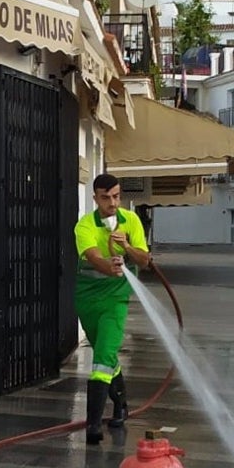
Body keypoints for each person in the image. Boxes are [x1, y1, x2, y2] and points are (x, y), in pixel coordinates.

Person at [74, 173, 153, 444]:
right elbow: (93, 257)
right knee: (105, 356)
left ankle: (93, 426)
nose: (112, 202)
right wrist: (110, 266)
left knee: (102, 358)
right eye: (106, 197)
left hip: (115, 301)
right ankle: (121, 404)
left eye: (117, 196)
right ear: (95, 197)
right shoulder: (84, 226)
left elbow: (144, 261)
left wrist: (127, 246)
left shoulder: (130, 221)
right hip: (87, 300)